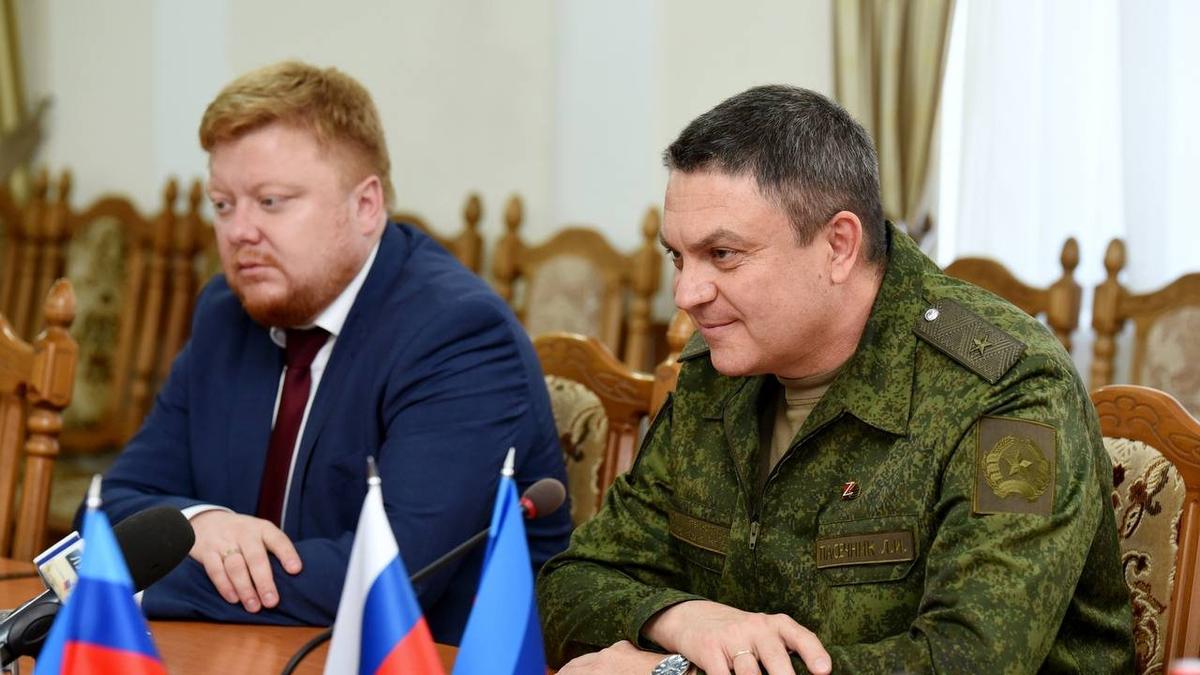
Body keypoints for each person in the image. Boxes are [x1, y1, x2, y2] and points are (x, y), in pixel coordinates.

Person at [536, 85, 1133, 674]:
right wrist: (682, 619)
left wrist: (676, 674)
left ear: (839, 246)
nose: (686, 294)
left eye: (722, 255)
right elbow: (573, 583)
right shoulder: (716, 372)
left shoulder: (1008, 387)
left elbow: (968, 661)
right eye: (678, 256)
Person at [92, 61, 572, 644]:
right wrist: (202, 522)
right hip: (251, 645)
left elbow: (387, 578)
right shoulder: (226, 311)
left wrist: (137, 578)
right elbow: (113, 504)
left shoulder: (458, 335)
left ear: (365, 205)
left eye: (271, 201)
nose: (239, 231)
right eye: (222, 204)